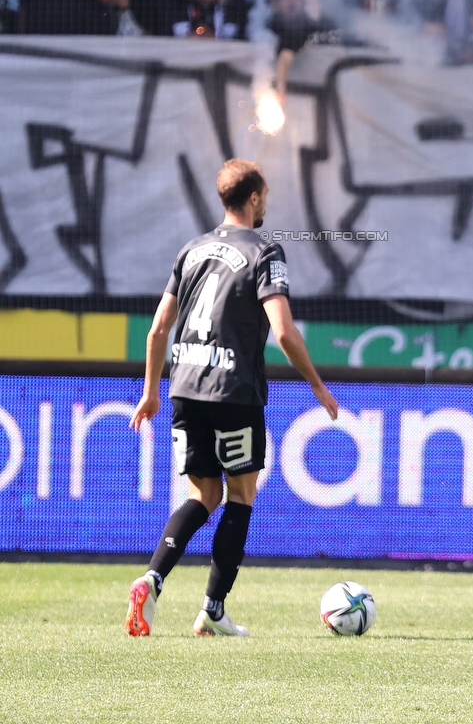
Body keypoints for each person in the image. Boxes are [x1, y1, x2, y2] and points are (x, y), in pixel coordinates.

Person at [125, 158, 338, 637]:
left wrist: (150, 391)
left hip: (184, 386)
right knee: (240, 494)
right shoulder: (266, 251)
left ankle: (152, 577)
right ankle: (213, 611)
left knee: (202, 493)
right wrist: (318, 385)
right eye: (267, 195)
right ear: (256, 198)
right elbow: (282, 331)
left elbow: (159, 327)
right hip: (233, 390)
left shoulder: (192, 250)